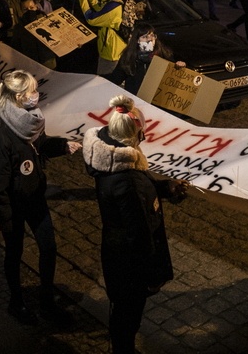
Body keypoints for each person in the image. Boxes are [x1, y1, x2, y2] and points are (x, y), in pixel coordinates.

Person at [82, 95, 188, 354]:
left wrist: (163, 187)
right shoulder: (128, 178)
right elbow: (140, 234)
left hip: (117, 255)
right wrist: (151, 277)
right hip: (130, 266)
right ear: (134, 135)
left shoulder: (110, 158)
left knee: (122, 312)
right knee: (128, 317)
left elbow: (138, 190)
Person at [0, 70, 81, 325]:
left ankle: (47, 301)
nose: (37, 95)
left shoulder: (32, 119)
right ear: (18, 97)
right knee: (14, 254)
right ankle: (17, 302)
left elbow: (40, 144)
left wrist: (61, 146)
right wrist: (5, 219)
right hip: (14, 206)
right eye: (32, 91)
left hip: (34, 196)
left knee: (48, 248)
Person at [104, 24, 185, 95]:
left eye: (152, 35)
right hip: (135, 100)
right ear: (137, 40)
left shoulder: (163, 54)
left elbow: (173, 74)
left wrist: (179, 66)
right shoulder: (129, 57)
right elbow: (116, 78)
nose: (150, 39)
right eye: (145, 37)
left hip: (155, 102)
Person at [78, 0, 126, 75]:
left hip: (111, 53)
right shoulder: (113, 1)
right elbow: (100, 8)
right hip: (110, 49)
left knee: (104, 79)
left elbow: (91, 18)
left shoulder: (113, 6)